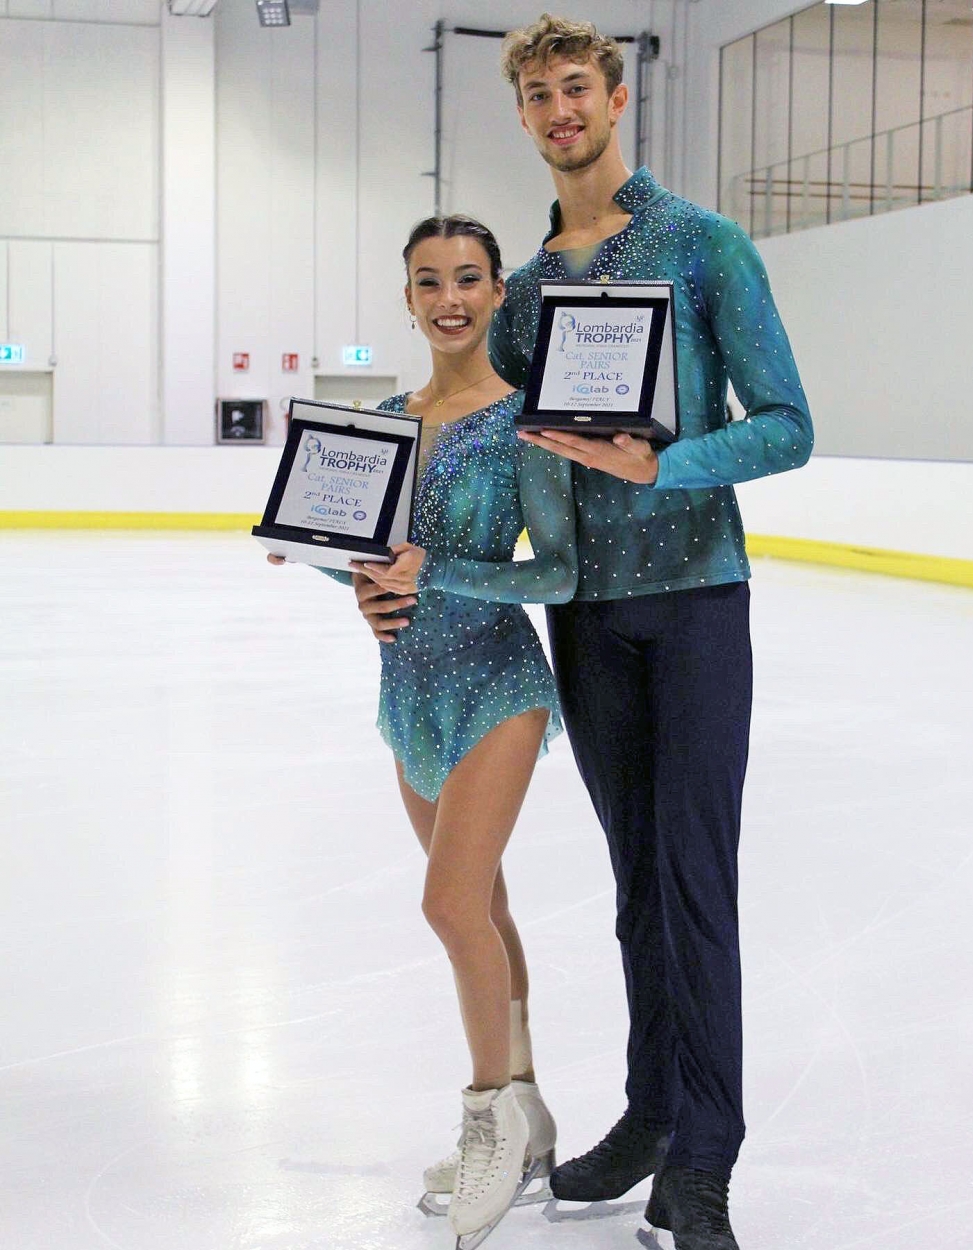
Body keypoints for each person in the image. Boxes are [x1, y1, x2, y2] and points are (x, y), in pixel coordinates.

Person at [489, 14, 813, 1250]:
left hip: (691, 604)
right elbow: (508, 457)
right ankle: (648, 1113)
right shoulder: (526, 298)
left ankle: (707, 1160)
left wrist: (666, 461)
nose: (559, 108)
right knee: (635, 884)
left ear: (615, 98)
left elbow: (783, 424)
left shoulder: (703, 245)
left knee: (693, 881)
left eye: (577, 86)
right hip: (587, 616)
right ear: (522, 118)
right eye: (537, 94)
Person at [272, 214, 576, 1245]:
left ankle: (487, 1114)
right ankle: (529, 1116)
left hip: (497, 680)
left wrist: (429, 571)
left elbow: (558, 571)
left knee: (449, 904)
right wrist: (335, 570)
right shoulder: (384, 426)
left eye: (468, 278)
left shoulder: (525, 421)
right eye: (428, 280)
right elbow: (367, 559)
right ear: (406, 298)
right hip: (409, 691)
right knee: (482, 902)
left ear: (497, 292)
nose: (449, 297)